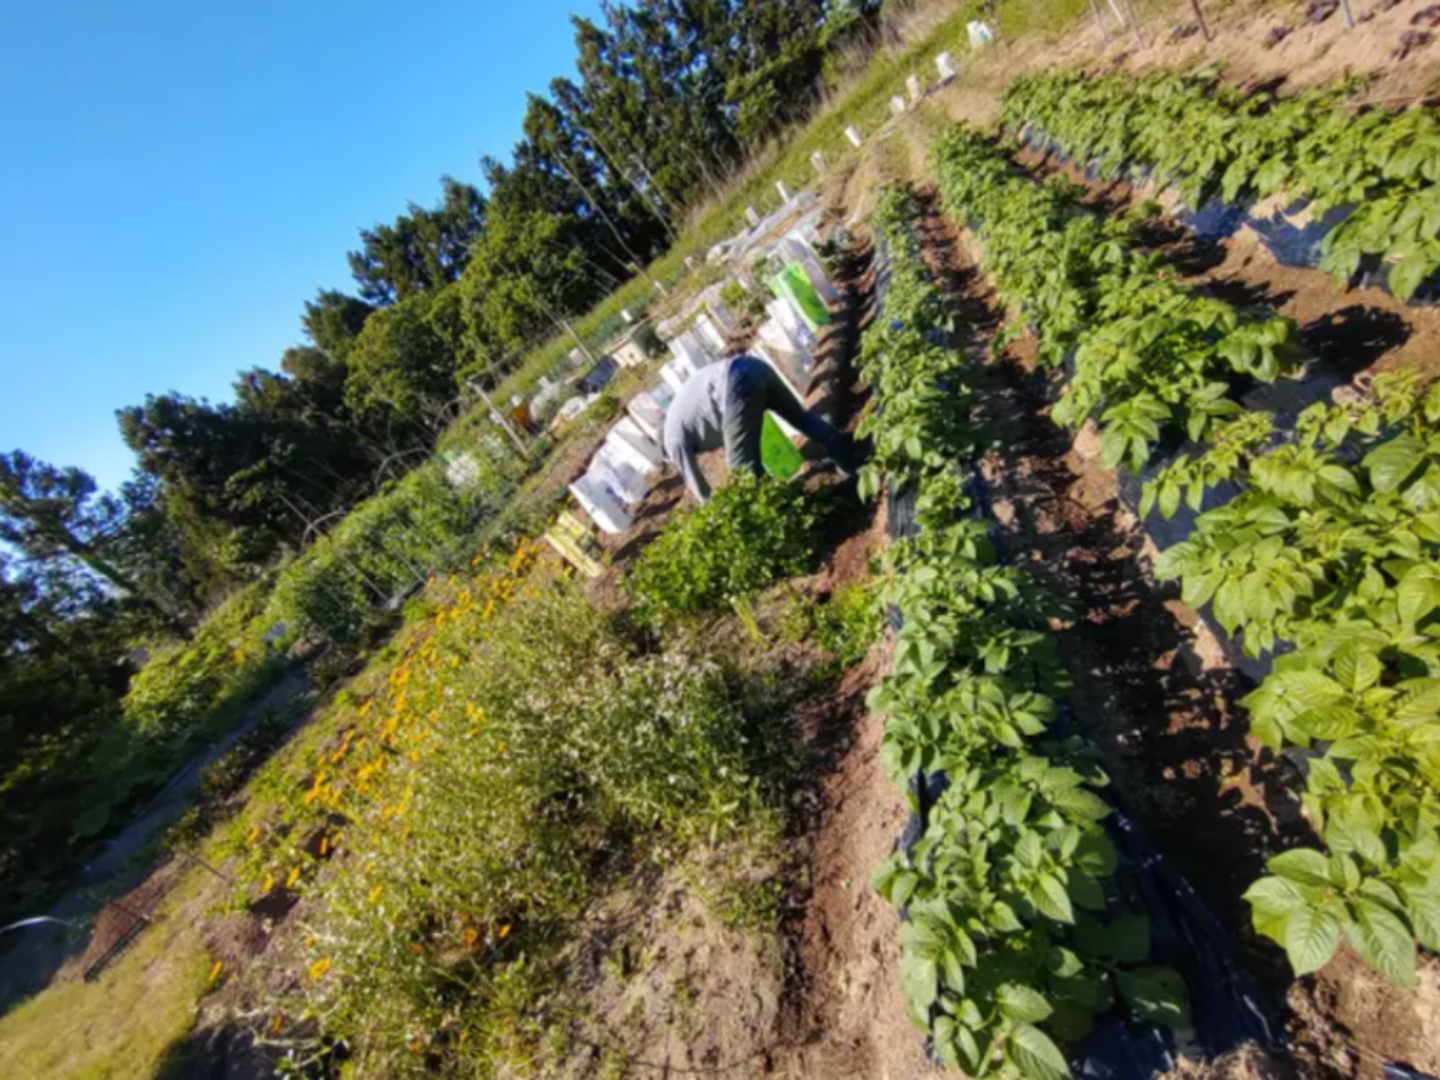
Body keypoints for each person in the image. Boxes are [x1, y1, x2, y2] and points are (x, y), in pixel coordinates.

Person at [660, 353, 854, 504]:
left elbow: (699, 488)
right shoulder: (680, 420)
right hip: (751, 365)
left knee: (742, 470)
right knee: (799, 417)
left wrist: (716, 511)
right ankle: (848, 458)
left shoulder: (672, 441)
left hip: (735, 385)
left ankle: (783, 513)